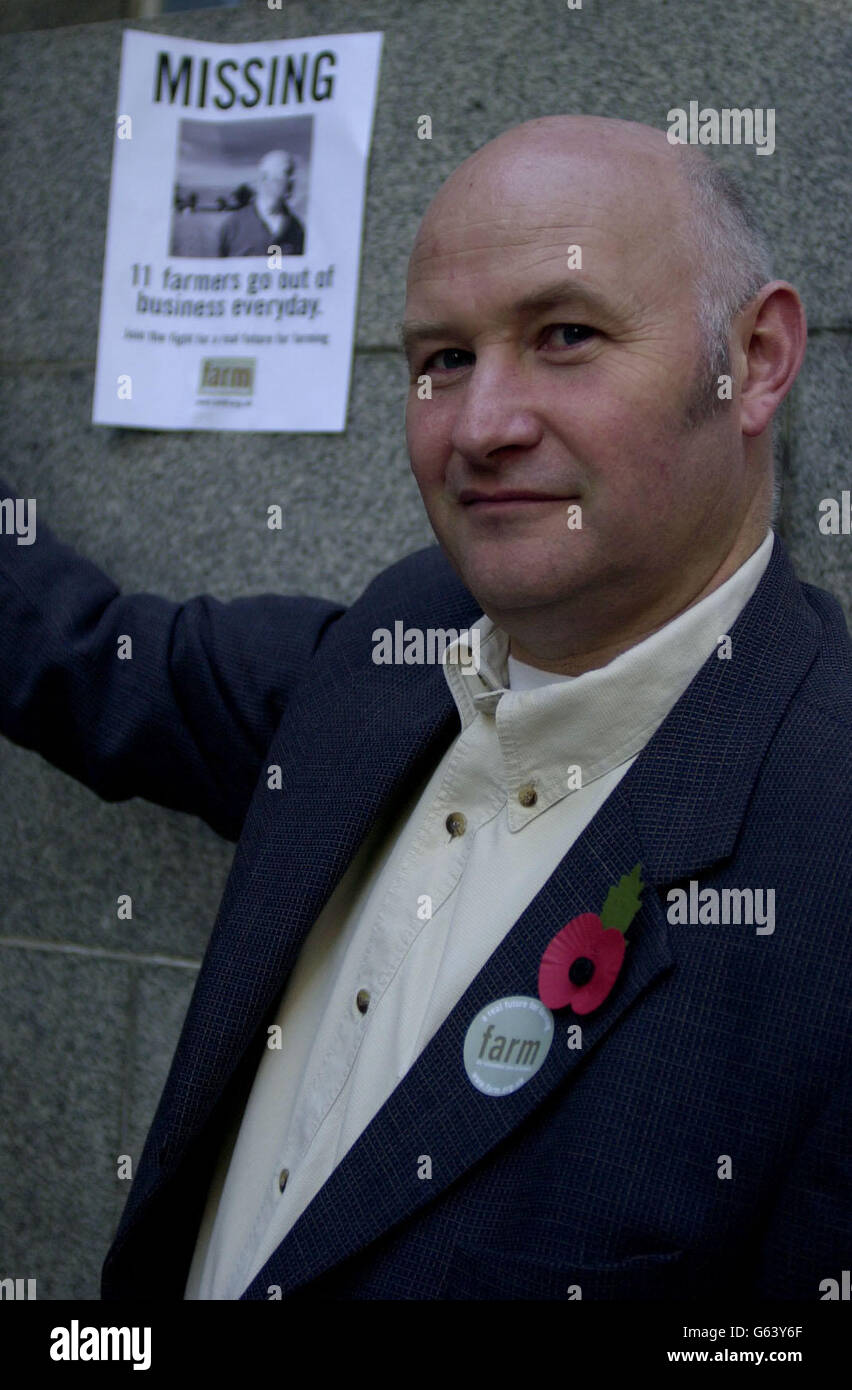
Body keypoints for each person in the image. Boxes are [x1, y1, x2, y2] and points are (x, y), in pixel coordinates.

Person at [0, 116, 849, 1302]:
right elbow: (104, 664)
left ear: (754, 359)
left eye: (565, 335)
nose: (480, 425)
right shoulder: (399, 640)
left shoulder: (823, 850)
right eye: (442, 360)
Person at [217, 148, 305, 257]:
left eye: (293, 174)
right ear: (264, 178)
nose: (292, 180)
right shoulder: (233, 226)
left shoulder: (296, 229)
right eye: (287, 173)